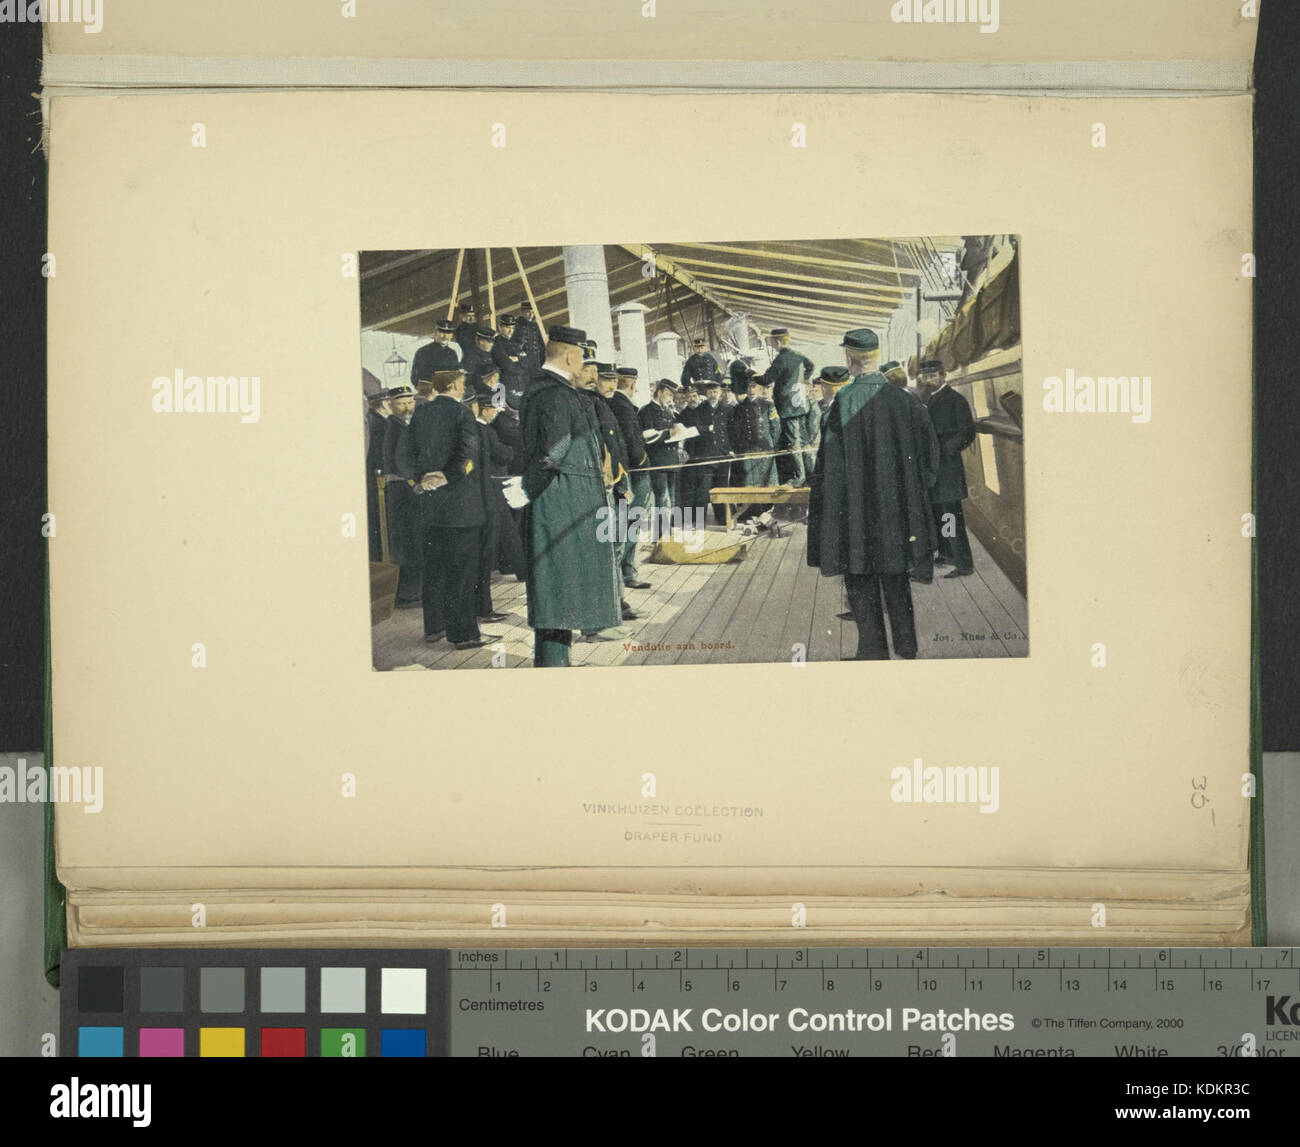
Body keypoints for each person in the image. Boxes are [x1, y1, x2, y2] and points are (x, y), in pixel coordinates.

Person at [807, 329, 935, 660]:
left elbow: (828, 467)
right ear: (876, 357)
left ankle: (873, 653)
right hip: (896, 513)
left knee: (861, 581)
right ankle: (907, 648)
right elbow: (929, 458)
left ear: (849, 358)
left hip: (855, 515)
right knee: (896, 578)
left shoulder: (842, 403)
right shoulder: (906, 400)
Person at [518, 326, 623, 667]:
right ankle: (552, 668)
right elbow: (554, 450)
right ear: (569, 355)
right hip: (561, 498)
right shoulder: (554, 394)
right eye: (582, 355)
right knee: (556, 587)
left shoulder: (553, 390)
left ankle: (556, 663)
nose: (585, 363)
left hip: (565, 496)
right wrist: (530, 489)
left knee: (560, 587)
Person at [408, 368, 498, 650]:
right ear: (453, 386)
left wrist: (419, 480)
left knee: (434, 569)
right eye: (461, 384)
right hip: (460, 509)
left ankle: (434, 628)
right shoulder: (463, 414)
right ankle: (464, 635)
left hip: (429, 506)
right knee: (461, 572)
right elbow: (468, 454)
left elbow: (404, 452)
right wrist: (448, 476)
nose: (462, 388)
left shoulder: (419, 414)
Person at [883, 361, 941, 583]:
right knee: (919, 521)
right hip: (917, 473)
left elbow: (928, 442)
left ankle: (920, 570)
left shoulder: (903, 403)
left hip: (909, 475)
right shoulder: (916, 399)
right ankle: (922, 570)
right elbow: (930, 441)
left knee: (914, 522)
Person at [918, 358, 977, 577]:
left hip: (948, 469)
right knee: (940, 513)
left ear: (943, 375)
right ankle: (947, 552)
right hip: (935, 470)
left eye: (932, 375)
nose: (928, 379)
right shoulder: (928, 399)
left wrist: (942, 450)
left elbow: (966, 432)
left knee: (950, 515)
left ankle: (963, 564)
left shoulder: (955, 400)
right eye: (925, 376)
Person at [461, 389, 511, 624]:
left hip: (479, 501)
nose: (495, 412)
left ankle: (482, 607)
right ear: (481, 409)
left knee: (482, 559)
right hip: (488, 501)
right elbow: (501, 457)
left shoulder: (477, 431)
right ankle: (483, 609)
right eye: (492, 408)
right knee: (484, 558)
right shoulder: (483, 431)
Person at [610, 367, 652, 590]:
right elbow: (631, 442)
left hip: (625, 473)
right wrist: (644, 462)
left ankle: (625, 571)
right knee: (632, 522)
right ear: (632, 385)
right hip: (634, 474)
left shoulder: (615, 403)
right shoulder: (622, 405)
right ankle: (627, 572)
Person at [381, 385, 423, 608]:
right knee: (407, 540)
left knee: (415, 538)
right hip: (400, 488)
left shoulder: (407, 424)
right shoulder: (393, 426)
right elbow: (399, 461)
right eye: (401, 403)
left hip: (409, 487)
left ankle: (414, 590)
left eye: (410, 401)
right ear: (391, 404)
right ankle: (408, 594)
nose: (407, 407)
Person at [766, 327, 816, 486]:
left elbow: (766, 379)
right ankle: (811, 474)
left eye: (773, 342)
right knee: (803, 439)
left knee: (792, 442)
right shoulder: (798, 356)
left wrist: (749, 374)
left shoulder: (781, 359)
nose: (772, 345)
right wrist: (802, 381)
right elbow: (811, 366)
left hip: (787, 406)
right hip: (799, 403)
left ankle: (800, 476)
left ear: (777, 341)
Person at [678, 379, 731, 524]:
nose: (713, 395)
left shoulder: (727, 410)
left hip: (723, 455)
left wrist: (730, 449)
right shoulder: (699, 411)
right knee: (703, 490)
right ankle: (699, 521)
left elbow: (732, 431)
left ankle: (722, 519)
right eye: (710, 392)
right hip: (705, 456)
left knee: (721, 488)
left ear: (720, 393)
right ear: (706, 393)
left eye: (715, 392)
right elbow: (694, 431)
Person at [638, 378, 684, 515]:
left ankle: (668, 532)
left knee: (673, 502)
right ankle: (661, 534)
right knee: (663, 502)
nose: (671, 399)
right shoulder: (646, 411)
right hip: (658, 464)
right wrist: (668, 433)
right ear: (659, 392)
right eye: (669, 395)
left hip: (672, 462)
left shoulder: (670, 412)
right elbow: (646, 437)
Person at [365, 388, 392, 561]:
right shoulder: (378, 423)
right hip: (377, 481)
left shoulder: (377, 421)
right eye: (390, 402)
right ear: (382, 404)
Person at [409, 319, 460, 390]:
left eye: (448, 333)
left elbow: (455, 374)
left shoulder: (452, 353)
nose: (445, 336)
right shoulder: (423, 351)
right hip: (429, 391)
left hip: (447, 391)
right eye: (442, 332)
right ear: (435, 332)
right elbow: (415, 376)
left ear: (452, 335)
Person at [492, 314, 530, 409]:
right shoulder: (497, 345)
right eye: (507, 327)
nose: (510, 331)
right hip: (507, 388)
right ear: (499, 327)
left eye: (512, 328)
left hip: (521, 386)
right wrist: (523, 362)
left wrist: (518, 359)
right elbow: (509, 368)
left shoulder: (515, 344)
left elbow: (530, 363)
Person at [513, 298, 545, 367]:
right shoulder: (516, 325)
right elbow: (512, 343)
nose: (531, 315)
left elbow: (542, 344)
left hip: (536, 360)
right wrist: (519, 352)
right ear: (522, 312)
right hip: (522, 360)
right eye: (528, 312)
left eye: (533, 312)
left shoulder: (537, 325)